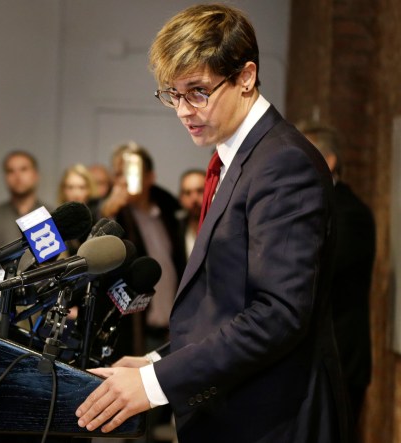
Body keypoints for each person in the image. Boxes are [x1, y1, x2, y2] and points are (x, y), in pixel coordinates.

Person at [76, 4, 349, 443]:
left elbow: (277, 316)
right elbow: (224, 306)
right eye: (173, 94)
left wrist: (153, 385)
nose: (183, 110)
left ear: (245, 77)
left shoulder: (283, 163)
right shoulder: (234, 157)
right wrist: (158, 362)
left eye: (198, 91)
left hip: (273, 421)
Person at [299, 123, 375, 429]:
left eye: (304, 155)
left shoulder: (348, 212)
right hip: (320, 359)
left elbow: (320, 274)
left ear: (327, 161)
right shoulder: (320, 205)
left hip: (341, 358)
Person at [97, 143, 186, 359]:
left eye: (131, 172)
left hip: (172, 331)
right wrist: (108, 214)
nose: (124, 180)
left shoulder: (168, 212)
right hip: (133, 333)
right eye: (118, 174)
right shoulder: (110, 214)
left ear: (150, 177)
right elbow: (95, 259)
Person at [0, 150, 51, 249]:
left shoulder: (50, 214)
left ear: (35, 175)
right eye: (10, 171)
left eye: (24, 169)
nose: (17, 176)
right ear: (5, 177)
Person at [176, 169, 205, 257]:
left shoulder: (223, 227)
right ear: (180, 198)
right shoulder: (175, 230)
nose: (194, 198)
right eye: (188, 193)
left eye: (200, 191)